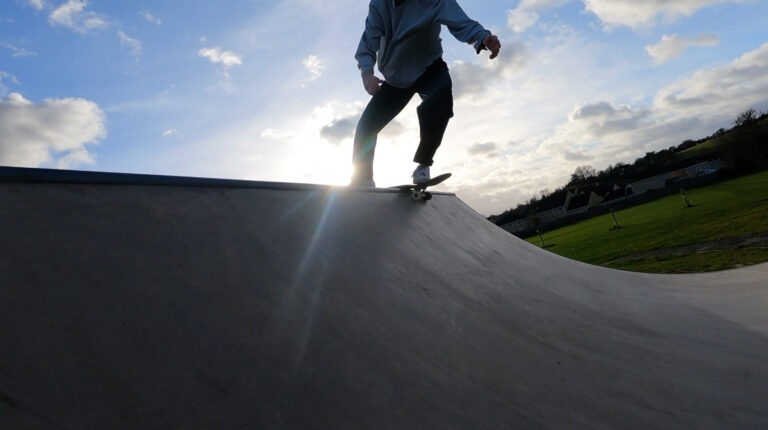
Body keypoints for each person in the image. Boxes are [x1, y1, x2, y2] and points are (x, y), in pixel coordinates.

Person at [350, 0, 501, 188]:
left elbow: (461, 22)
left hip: (430, 68)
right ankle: (362, 179)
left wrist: (483, 37)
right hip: (397, 77)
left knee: (441, 103)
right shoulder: (379, 4)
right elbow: (368, 41)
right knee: (367, 126)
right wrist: (367, 73)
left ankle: (423, 165)